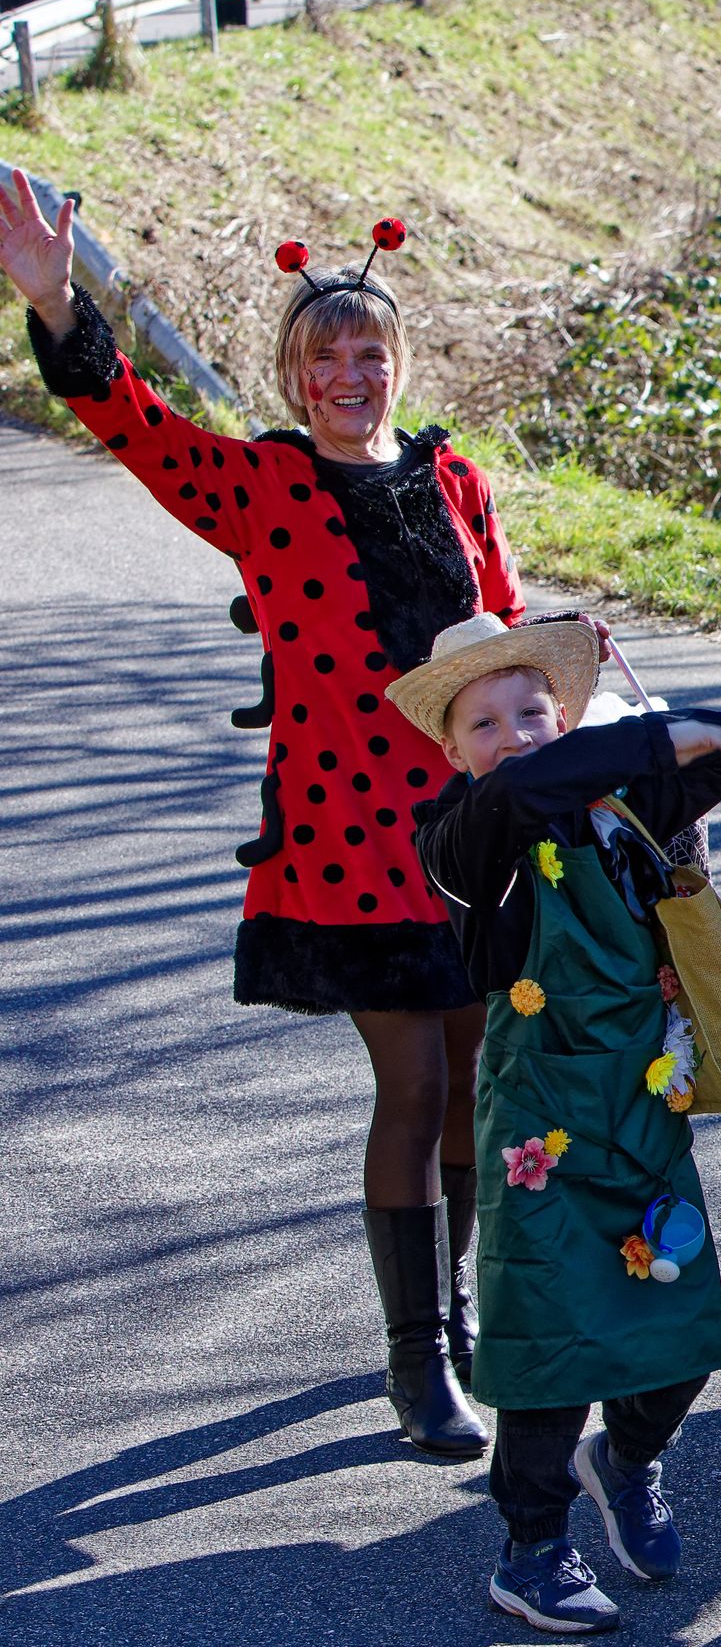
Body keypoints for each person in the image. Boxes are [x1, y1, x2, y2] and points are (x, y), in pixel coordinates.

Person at [0, 178, 532, 1461]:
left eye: (370, 352)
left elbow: (507, 634)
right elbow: (129, 421)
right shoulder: (258, 484)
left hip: (479, 837)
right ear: (296, 380)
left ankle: (455, 1318)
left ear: (398, 363)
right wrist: (57, 299)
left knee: (474, 1084)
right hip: (350, 842)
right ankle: (419, 1362)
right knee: (409, 1085)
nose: (351, 375)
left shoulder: (454, 477)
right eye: (324, 358)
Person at [398, 614, 721, 1635]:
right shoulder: (463, 840)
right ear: (453, 748)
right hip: (539, 1126)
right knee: (552, 1344)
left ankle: (631, 1457)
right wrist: (643, 742)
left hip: (644, 1105)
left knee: (679, 1333)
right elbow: (517, 791)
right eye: (484, 721)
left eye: (531, 712)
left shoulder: (619, 815)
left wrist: (651, 733)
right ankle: (532, 1548)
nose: (510, 735)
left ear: (570, 716)